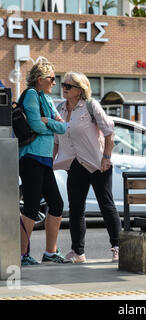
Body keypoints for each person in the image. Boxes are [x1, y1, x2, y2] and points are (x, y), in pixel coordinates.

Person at [53, 72, 121, 263]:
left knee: (106, 205)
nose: (64, 88)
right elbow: (56, 140)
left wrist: (106, 157)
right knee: (75, 208)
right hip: (74, 164)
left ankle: (118, 246)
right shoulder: (60, 109)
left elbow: (109, 132)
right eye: (63, 85)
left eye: (69, 86)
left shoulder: (91, 106)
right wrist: (49, 161)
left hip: (97, 163)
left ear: (80, 90)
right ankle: (78, 252)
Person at [19, 58, 68, 265]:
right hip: (31, 158)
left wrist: (48, 123)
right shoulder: (31, 95)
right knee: (31, 206)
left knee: (56, 204)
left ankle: (50, 252)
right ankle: (20, 255)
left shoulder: (47, 100)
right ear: (40, 79)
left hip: (45, 159)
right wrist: (49, 124)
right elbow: (36, 126)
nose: (55, 83)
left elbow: (64, 127)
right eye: (52, 79)